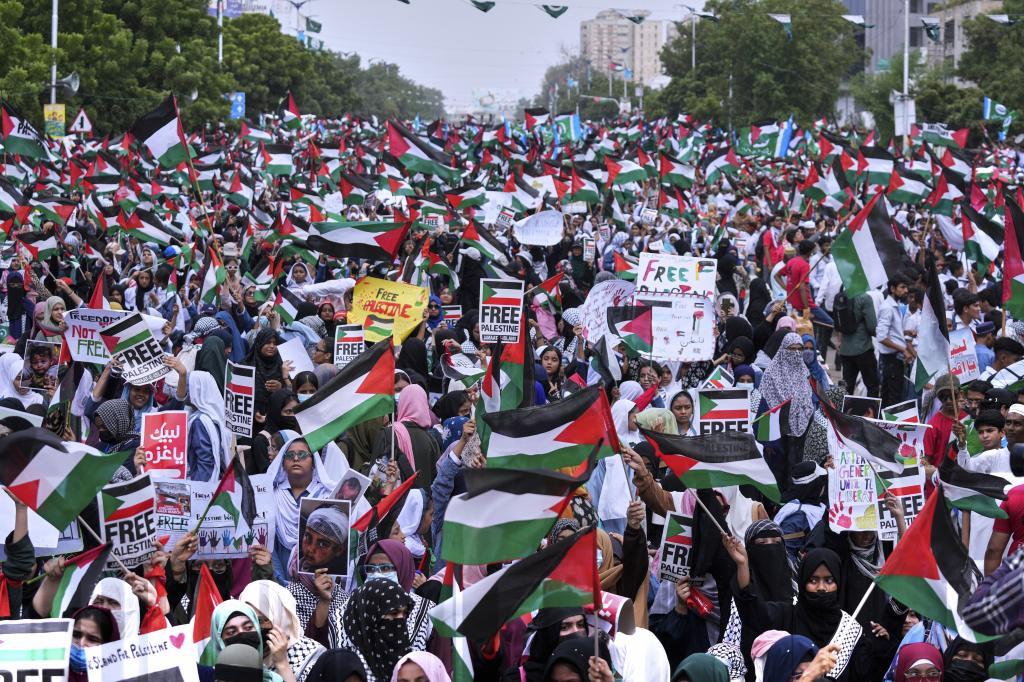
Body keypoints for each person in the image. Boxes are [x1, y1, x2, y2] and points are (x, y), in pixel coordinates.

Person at [239, 580, 327, 682]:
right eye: (248, 622)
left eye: (260, 620)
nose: (254, 628)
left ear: (281, 616)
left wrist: (282, 662)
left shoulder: (311, 654)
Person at [339, 580, 414, 682]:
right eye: (393, 612)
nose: (401, 619)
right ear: (371, 614)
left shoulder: (409, 654)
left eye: (405, 613)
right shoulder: (347, 665)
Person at [208, 599, 295, 681]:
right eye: (231, 632)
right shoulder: (206, 678)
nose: (242, 635)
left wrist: (281, 662)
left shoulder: (273, 679)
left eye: (248, 627)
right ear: (219, 640)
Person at [877, 277, 915, 409]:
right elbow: (882, 336)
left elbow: (892, 332)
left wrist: (906, 332)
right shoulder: (887, 308)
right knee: (893, 397)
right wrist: (903, 350)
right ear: (893, 289)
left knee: (889, 395)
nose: (906, 290)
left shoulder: (896, 306)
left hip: (895, 359)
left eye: (906, 287)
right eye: (902, 287)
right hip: (891, 359)